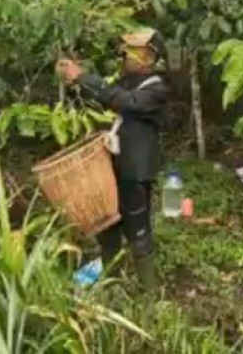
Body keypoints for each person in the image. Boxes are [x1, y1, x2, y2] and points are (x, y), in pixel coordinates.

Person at [56, 28, 168, 290]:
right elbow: (104, 99)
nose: (126, 56)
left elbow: (123, 102)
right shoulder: (125, 81)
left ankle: (149, 292)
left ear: (150, 57)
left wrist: (83, 77)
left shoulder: (156, 89)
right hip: (112, 166)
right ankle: (111, 285)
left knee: (138, 229)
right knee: (108, 226)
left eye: (135, 51)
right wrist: (78, 82)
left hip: (136, 170)